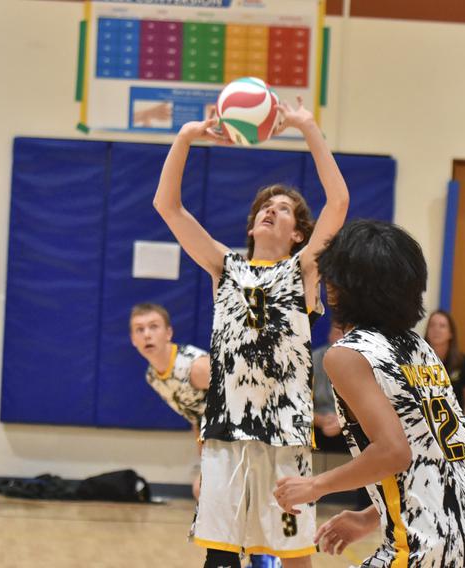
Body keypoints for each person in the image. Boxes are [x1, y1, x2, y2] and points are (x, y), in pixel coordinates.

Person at [154, 97, 348, 568]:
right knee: (219, 558)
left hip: (285, 438)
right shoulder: (225, 266)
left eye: (282, 210)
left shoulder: (303, 271)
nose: (270, 211)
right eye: (265, 206)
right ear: (251, 222)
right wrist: (185, 137)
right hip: (225, 434)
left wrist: (306, 128)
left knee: (293, 557)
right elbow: (168, 205)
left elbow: (339, 201)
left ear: (298, 232)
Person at [274, 220, 465, 567]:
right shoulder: (422, 349)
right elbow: (431, 457)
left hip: (425, 550)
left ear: (342, 287)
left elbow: (392, 451)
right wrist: (369, 517)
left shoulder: (348, 354)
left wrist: (315, 485)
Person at [129, 303, 210, 500]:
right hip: (216, 441)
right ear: (133, 340)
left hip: (249, 440)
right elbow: (197, 417)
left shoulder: (197, 367)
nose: (147, 334)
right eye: (140, 329)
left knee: (205, 491)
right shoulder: (153, 376)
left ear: (168, 333)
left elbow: (245, 399)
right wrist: (205, 459)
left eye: (154, 326)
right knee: (203, 491)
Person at [423, 310, 465, 421]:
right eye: (432, 325)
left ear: (451, 333)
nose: (436, 329)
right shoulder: (416, 360)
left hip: (455, 422)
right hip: (425, 422)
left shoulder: (463, 362)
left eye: (442, 326)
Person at [312, 323, 345, 452]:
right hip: (319, 420)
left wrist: (343, 421)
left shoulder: (363, 361)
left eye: (347, 334)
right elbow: (296, 408)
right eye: (337, 333)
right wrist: (320, 420)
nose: (341, 339)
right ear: (330, 335)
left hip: (351, 421)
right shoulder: (313, 359)